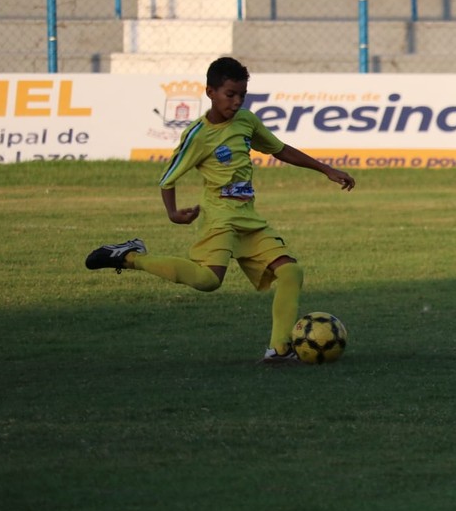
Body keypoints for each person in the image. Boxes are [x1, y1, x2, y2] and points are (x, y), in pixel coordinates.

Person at [85, 56, 355, 365]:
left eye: (242, 94)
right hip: (219, 220)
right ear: (210, 92)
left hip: (248, 219)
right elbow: (168, 178)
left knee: (291, 272)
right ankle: (131, 256)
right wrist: (173, 213)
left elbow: (280, 148)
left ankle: (278, 350)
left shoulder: (246, 121)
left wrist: (326, 170)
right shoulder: (198, 136)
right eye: (230, 94)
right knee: (208, 281)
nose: (237, 101)